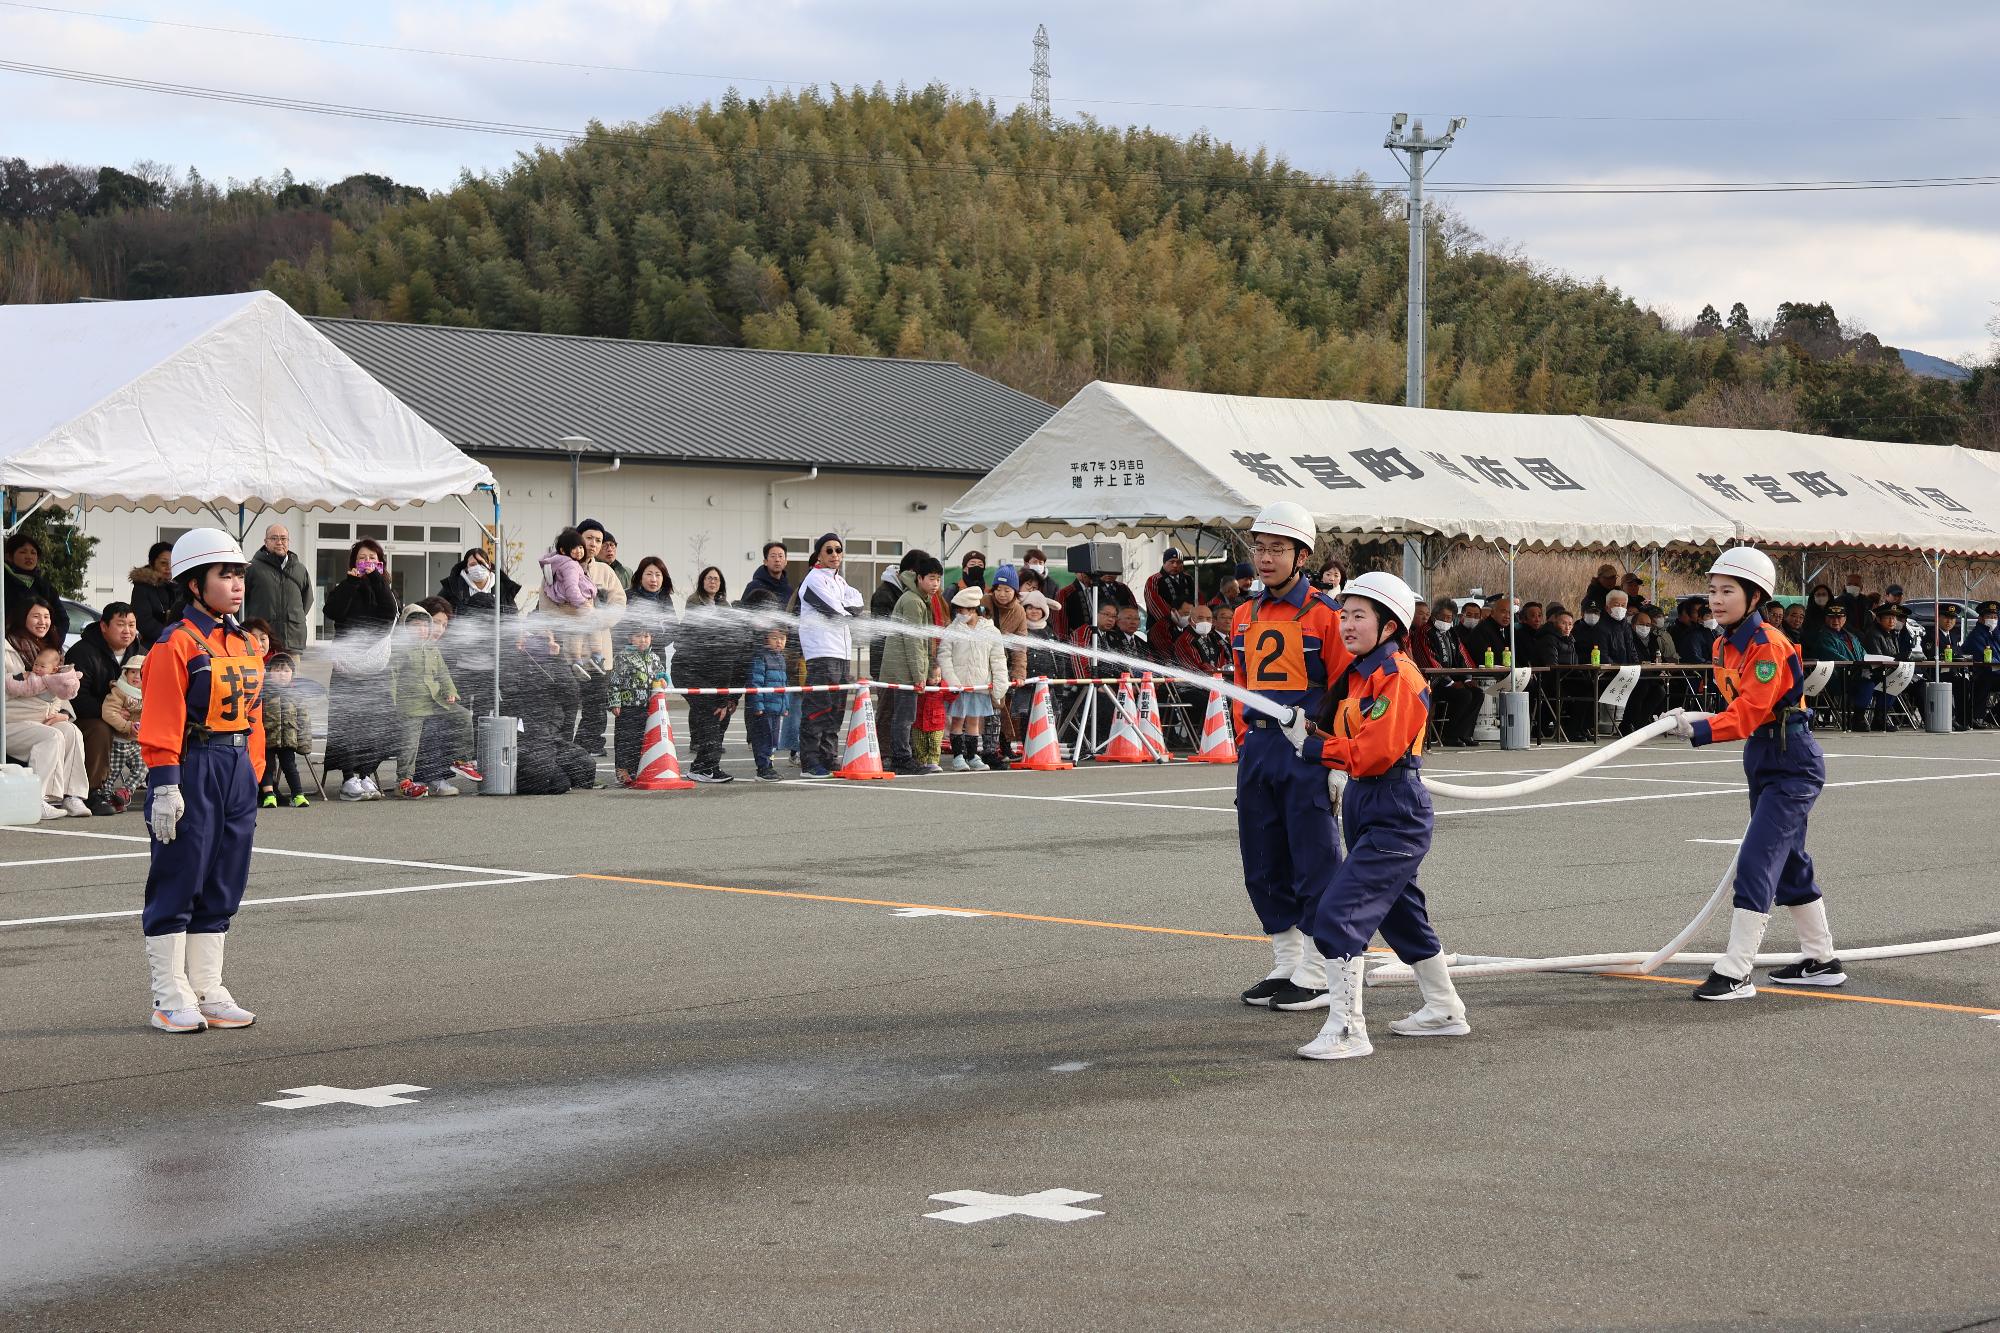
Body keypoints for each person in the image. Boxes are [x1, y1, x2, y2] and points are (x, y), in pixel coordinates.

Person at [1283, 571, 1469, 1060]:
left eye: (1358, 615)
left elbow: (1375, 754)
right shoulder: (1363, 673)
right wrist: (1313, 737)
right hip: (1370, 803)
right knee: (1404, 918)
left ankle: (1347, 1030)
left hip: (1394, 806)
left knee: (1338, 916)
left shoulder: (1398, 677)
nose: (1346, 624)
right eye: (1343, 615)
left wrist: (1313, 749)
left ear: (1390, 626)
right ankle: (1444, 1009)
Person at [1669, 547, 1846, 1001]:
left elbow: (1747, 713)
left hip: (1793, 760)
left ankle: (1736, 970)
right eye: (1712, 591)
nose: (1716, 599)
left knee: (1756, 859)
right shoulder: (1722, 643)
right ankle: (1821, 960)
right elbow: (1740, 707)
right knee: (1788, 860)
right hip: (1763, 756)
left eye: (1728, 591)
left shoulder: (1767, 644)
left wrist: (1701, 728)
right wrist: (1701, 719)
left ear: (1755, 596)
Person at [135, 528, 266, 1034]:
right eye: (224, 574)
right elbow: (161, 717)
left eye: (239, 574)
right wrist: (165, 783)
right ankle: (170, 995)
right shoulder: (176, 643)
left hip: (234, 768)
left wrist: (252, 773)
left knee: (225, 878)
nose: (236, 584)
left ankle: (208, 988)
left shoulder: (244, 641)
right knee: (180, 874)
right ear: (194, 584)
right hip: (192, 763)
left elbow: (254, 715)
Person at [1230, 501, 1351, 1013]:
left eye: (1277, 548)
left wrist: (1339, 759)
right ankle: (1286, 961)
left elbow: (1347, 689)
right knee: (1261, 857)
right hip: (1259, 749)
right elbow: (1241, 682)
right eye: (1259, 548)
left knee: (1314, 857)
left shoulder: (1327, 615)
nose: (1266, 557)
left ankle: (1322, 971)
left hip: (1307, 750)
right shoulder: (1243, 613)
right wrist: (1243, 739)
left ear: (1302, 555)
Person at [323, 538, 397, 800]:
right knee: (349, 722)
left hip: (375, 668)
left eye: (373, 558)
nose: (367, 562)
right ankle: (348, 778)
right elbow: (333, 611)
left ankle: (366, 773)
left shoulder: (384, 588)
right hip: (347, 668)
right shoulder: (345, 587)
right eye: (362, 557)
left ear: (380, 562)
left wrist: (377, 580)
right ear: (353, 562)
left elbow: (389, 614)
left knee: (375, 723)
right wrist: (353, 582)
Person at [391, 602, 482, 798]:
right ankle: (403, 781)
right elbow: (392, 676)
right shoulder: (400, 650)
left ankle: (462, 760)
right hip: (412, 706)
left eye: (425, 626)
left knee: (463, 715)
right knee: (410, 744)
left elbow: (443, 674)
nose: (423, 630)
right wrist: (392, 702)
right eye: (416, 627)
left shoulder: (432, 649)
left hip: (435, 701)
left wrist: (451, 692)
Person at [6, 605, 90, 820]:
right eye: (35, 616)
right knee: (51, 736)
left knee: (71, 731)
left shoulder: (52, 649)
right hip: (11, 721)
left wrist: (63, 712)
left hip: (42, 718)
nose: (42, 621)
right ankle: (38, 799)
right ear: (21, 618)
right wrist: (28, 682)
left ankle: (72, 796)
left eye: (46, 617)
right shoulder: (6, 648)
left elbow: (61, 690)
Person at [796, 533, 864, 779]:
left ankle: (828, 757)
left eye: (838, 550)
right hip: (821, 652)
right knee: (818, 708)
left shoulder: (840, 582)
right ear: (819, 555)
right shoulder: (813, 580)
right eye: (829, 550)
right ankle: (810, 761)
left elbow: (858, 602)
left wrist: (846, 608)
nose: (835, 554)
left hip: (841, 653)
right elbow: (834, 611)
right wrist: (845, 609)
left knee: (836, 709)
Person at [499, 624, 596, 795]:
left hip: (552, 740)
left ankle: (554, 770)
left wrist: (556, 657)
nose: (538, 643)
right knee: (556, 782)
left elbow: (571, 693)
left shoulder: (554, 663)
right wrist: (519, 653)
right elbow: (509, 692)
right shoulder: (513, 662)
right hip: (524, 742)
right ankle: (520, 778)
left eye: (544, 638)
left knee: (585, 765)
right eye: (533, 638)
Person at [65, 601, 142, 814]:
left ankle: (161, 786)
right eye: (120, 624)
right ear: (104, 626)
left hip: (134, 716)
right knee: (101, 729)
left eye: (132, 624)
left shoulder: (141, 654)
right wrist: (111, 713)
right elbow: (77, 699)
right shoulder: (83, 652)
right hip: (90, 716)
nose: (127, 631)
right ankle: (93, 791)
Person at [680, 566, 741, 782]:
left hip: (709, 671)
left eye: (716, 579)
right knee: (711, 713)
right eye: (709, 578)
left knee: (718, 716)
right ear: (702, 581)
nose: (712, 582)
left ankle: (705, 765)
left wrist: (731, 699)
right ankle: (704, 767)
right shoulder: (695, 601)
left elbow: (734, 672)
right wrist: (722, 701)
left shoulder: (726, 610)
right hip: (690, 669)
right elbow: (722, 666)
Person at [741, 541, 799, 763]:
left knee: (777, 690)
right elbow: (746, 618)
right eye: (773, 556)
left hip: (779, 650)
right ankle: (754, 737)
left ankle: (771, 743)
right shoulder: (754, 586)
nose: (777, 559)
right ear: (765, 560)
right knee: (757, 691)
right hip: (759, 649)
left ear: (786, 560)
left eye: (781, 556)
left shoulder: (788, 588)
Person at [573, 521, 627, 755]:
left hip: (599, 653)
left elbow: (619, 603)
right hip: (571, 652)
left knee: (595, 706)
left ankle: (588, 750)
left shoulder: (605, 572)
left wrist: (599, 619)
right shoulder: (561, 567)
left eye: (598, 540)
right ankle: (566, 748)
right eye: (589, 538)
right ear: (578, 538)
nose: (593, 544)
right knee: (565, 704)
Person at [938, 586, 1007, 771]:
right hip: (959, 686)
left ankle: (972, 755)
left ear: (973, 609)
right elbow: (944, 656)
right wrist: (953, 682)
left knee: (974, 721)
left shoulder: (991, 631)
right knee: (958, 720)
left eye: (964, 610)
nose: (960, 614)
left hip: (980, 685)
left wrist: (1000, 684)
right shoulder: (951, 630)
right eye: (958, 611)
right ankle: (958, 756)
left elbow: (998, 659)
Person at [244, 524, 313, 655]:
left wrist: (292, 618)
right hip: (261, 642)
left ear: (288, 541)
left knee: (290, 676)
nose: (279, 542)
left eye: (283, 538)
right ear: (265, 542)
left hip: (292, 641)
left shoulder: (300, 569)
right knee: (262, 676)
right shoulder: (252, 568)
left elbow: (307, 599)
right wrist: (254, 621)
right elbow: (239, 603)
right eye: (274, 538)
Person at [609, 618, 663, 785]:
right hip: (628, 706)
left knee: (641, 740)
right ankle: (622, 770)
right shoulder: (623, 657)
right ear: (630, 638)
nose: (643, 640)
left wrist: (664, 680)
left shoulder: (654, 658)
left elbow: (660, 675)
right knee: (626, 739)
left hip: (647, 706)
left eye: (646, 637)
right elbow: (614, 681)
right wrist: (615, 702)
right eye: (638, 636)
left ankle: (636, 768)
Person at [256, 651, 312, 809]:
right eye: (277, 670)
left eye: (286, 671)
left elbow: (304, 720)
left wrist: (304, 743)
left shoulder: (296, 695)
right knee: (267, 767)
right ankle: (268, 795)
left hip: (288, 739)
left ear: (292, 673)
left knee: (290, 767)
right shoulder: (263, 693)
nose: (282, 674)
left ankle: (298, 794)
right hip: (267, 739)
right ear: (269, 672)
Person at [539, 528, 599, 674]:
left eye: (580, 547)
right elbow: (571, 588)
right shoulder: (570, 565)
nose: (579, 551)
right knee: (589, 625)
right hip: (574, 604)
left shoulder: (561, 562)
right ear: (563, 550)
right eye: (574, 548)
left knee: (581, 629)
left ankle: (582, 658)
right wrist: (583, 604)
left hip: (567, 604)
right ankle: (593, 656)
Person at [100, 653, 149, 810]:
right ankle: (107, 797)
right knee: (112, 772)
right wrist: (127, 726)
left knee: (143, 766)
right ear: (125, 673)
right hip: (119, 741)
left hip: (137, 742)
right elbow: (109, 712)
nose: (136, 676)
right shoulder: (119, 691)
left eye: (141, 673)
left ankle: (124, 792)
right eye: (132, 672)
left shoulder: (149, 692)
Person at [1810, 603, 1871, 729]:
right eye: (1832, 617)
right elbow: (1831, 656)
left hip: (1854, 674)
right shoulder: (1824, 636)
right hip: (1836, 678)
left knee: (1883, 681)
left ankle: (1879, 718)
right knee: (1867, 683)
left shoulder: (1851, 636)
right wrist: (1858, 667)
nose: (1835, 620)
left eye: (1839, 617)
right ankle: (1858, 719)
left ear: (1845, 619)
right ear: (1826, 618)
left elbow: (1864, 655)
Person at [5, 533, 70, 646]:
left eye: (33, 553)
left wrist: (52, 643)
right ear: (9, 556)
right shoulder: (3, 583)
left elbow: (62, 620)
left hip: (42, 648)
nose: (29, 556)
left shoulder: (45, 587)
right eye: (23, 552)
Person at [746, 625, 791, 781]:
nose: (779, 642)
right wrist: (757, 706)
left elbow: (783, 685)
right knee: (763, 739)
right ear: (766, 639)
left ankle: (769, 766)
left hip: (776, 708)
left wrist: (785, 706)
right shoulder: (761, 657)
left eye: (782, 638)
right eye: (775, 638)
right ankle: (763, 768)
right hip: (764, 708)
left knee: (772, 740)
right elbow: (755, 683)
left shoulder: (781, 658)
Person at [129, 541, 178, 645]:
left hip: (179, 643)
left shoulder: (179, 586)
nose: (168, 567)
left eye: (172, 562)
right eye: (163, 563)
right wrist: (169, 635)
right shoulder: (142, 587)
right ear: (152, 563)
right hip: (153, 646)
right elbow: (143, 621)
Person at [1143, 549, 1196, 638]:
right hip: (1160, 629)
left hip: (1187, 627)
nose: (1175, 565)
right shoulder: (1154, 580)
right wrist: (1175, 620)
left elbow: (1196, 600)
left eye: (1179, 562)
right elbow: (1154, 604)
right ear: (1164, 562)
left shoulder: (1188, 579)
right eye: (1171, 562)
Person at [1968, 600, 2000, 728]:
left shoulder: (1995, 634)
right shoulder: (1976, 635)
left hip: (1995, 674)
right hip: (1981, 674)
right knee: (1985, 680)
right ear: (1981, 618)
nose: (1992, 620)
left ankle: (1994, 716)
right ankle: (1980, 717)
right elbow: (1986, 659)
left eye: (1995, 617)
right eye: (1989, 617)